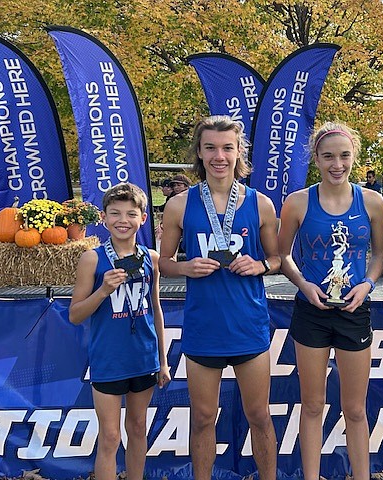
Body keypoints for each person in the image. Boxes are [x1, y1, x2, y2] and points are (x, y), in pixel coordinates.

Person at [159, 115, 279, 480]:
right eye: (210, 147)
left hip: (248, 326)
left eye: (227, 148)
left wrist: (258, 266)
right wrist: (186, 267)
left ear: (239, 151)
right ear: (199, 151)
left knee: (258, 415)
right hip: (203, 328)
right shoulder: (180, 204)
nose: (219, 156)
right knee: (203, 418)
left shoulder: (261, 204)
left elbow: (276, 259)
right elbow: (163, 263)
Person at [278, 122, 383, 480]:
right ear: (316, 159)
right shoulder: (297, 202)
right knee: (312, 406)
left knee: (355, 409)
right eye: (328, 156)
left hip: (354, 311)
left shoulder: (372, 201)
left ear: (354, 156)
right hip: (311, 312)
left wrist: (368, 285)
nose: (336, 164)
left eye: (344, 156)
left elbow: (379, 257)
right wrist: (304, 285)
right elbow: (284, 257)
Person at [69, 183, 171, 480]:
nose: (122, 220)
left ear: (143, 218)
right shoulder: (92, 259)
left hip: (144, 358)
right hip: (109, 360)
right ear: (103, 217)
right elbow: (75, 315)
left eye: (130, 213)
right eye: (114, 213)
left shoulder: (150, 258)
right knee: (111, 437)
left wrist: (162, 360)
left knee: (138, 429)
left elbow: (156, 308)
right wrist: (103, 290)